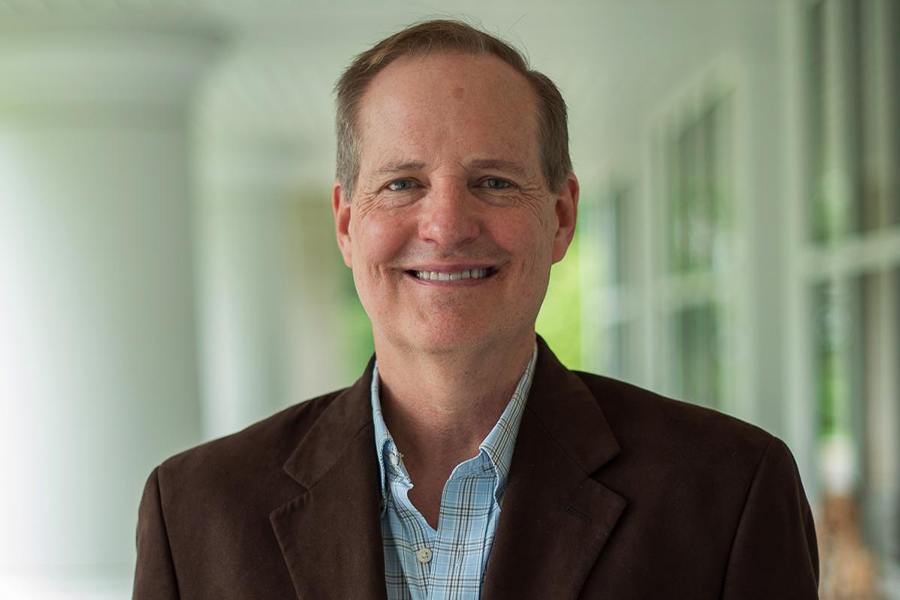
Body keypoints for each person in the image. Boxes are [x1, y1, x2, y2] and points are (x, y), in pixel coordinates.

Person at [132, 19, 819, 600]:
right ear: (346, 224)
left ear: (561, 216)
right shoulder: (196, 511)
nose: (446, 224)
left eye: (492, 181)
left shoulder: (729, 491)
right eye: (402, 183)